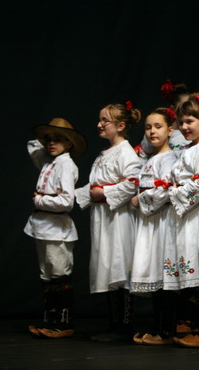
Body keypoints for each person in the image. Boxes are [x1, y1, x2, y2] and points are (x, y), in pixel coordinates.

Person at [75, 101, 142, 342]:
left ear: (121, 125)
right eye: (100, 120)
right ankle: (114, 324)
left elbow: (134, 182)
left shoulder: (126, 153)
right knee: (107, 266)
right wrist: (80, 194)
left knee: (119, 265)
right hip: (103, 218)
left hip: (118, 218)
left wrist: (104, 192)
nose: (99, 124)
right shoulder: (105, 153)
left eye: (105, 120)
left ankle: (125, 326)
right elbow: (95, 184)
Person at [167, 93, 199, 348]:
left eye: (190, 121)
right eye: (181, 122)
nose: (184, 127)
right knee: (191, 270)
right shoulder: (191, 147)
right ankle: (195, 325)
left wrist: (176, 192)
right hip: (188, 215)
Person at [26, 118, 86, 338]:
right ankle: (50, 321)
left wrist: (40, 200)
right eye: (49, 139)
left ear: (69, 144)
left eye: (58, 139)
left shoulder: (66, 165)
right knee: (47, 274)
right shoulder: (49, 162)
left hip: (57, 227)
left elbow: (67, 201)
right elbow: (33, 146)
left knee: (59, 273)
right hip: (42, 225)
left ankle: (63, 324)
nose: (51, 143)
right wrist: (46, 138)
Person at [130, 107, 178, 345]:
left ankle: (166, 329)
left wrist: (140, 200)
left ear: (170, 130)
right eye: (148, 127)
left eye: (158, 127)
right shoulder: (151, 159)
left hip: (162, 222)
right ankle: (157, 325)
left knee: (164, 276)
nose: (152, 132)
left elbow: (165, 190)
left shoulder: (169, 159)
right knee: (155, 274)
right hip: (150, 222)